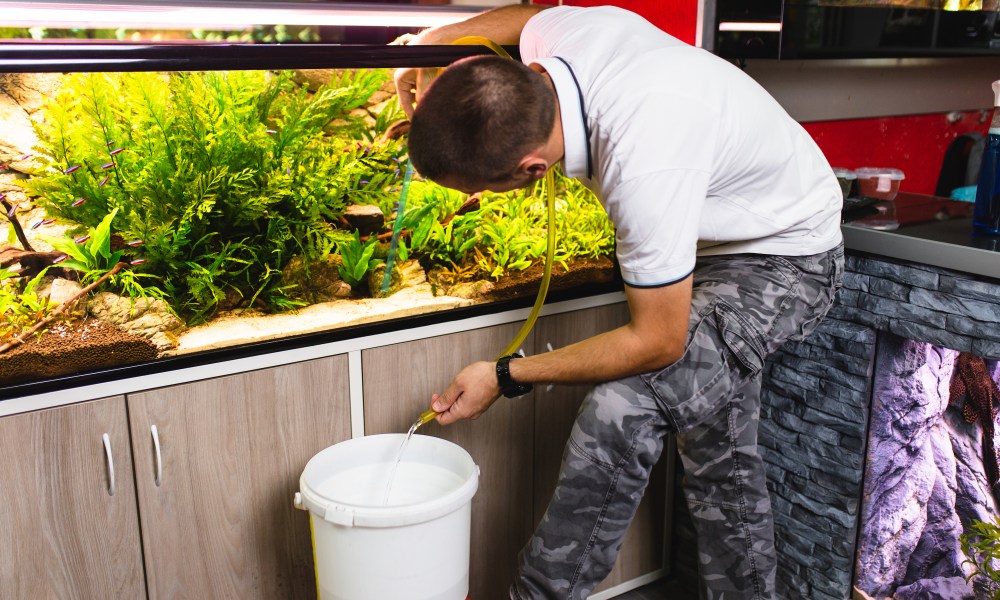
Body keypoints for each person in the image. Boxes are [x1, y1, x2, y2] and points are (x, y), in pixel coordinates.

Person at [394, 4, 845, 599]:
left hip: (786, 258)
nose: (480, 198)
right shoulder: (560, 39)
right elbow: (535, 12)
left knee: (623, 409)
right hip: (711, 239)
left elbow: (658, 342)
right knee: (720, 455)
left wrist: (505, 374)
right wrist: (432, 43)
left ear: (533, 170)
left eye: (482, 188)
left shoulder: (642, 161)